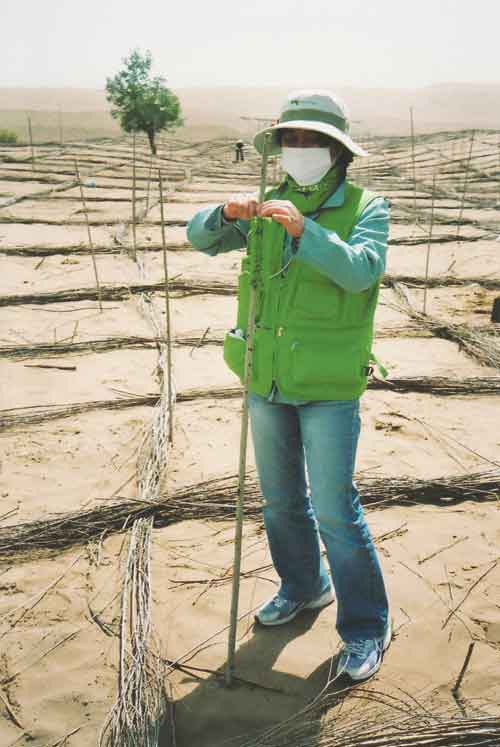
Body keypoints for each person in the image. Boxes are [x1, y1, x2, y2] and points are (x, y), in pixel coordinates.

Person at [187, 90, 391, 681]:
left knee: (334, 509)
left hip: (328, 385)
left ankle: (365, 628)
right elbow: (200, 238)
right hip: (266, 376)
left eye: (312, 141)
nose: (299, 150)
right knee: (279, 503)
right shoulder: (267, 204)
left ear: (337, 150)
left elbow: (361, 271)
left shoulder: (366, 206)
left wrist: (307, 232)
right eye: (290, 140)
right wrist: (224, 215)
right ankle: (304, 587)